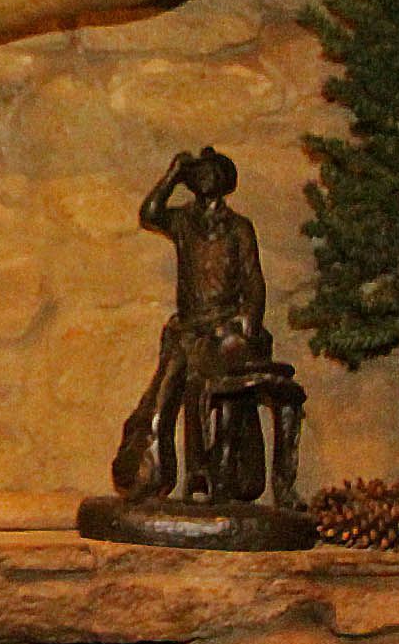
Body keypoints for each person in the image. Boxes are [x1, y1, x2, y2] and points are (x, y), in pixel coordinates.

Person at [111, 147, 284, 504]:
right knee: (161, 398)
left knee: (209, 392)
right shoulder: (183, 222)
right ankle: (150, 474)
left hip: (223, 330)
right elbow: (149, 213)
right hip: (187, 330)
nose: (205, 178)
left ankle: (214, 473)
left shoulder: (238, 227)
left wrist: (250, 325)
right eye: (199, 173)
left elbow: (253, 280)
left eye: (212, 172)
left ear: (225, 180)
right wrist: (172, 175)